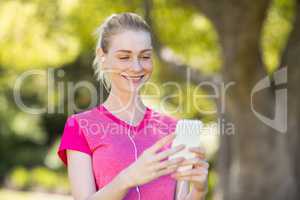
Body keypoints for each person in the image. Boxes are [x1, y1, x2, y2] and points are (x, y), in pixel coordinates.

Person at [57, 12, 209, 200]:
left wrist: (199, 190)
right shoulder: (80, 127)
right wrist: (129, 177)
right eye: (124, 57)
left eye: (145, 56)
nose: (137, 67)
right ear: (102, 57)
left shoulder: (174, 129)